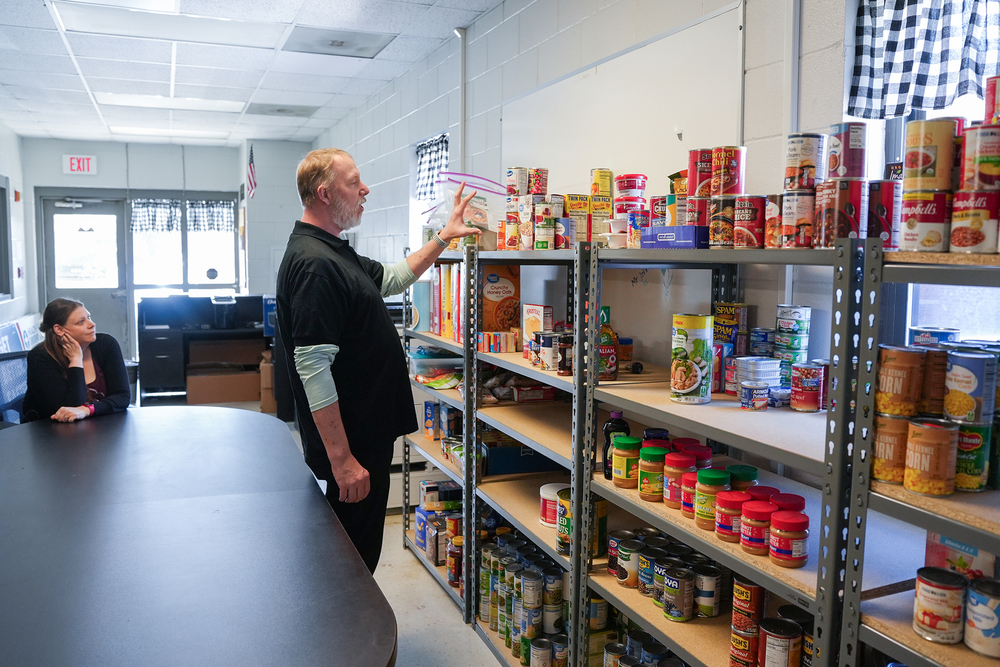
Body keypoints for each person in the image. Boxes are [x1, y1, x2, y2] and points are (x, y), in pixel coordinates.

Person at [276, 147, 480, 573]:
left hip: (363, 440)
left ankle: (344, 635)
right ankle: (342, 639)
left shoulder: (333, 250)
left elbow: (391, 278)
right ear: (325, 194)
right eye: (354, 182)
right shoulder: (315, 264)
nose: (365, 189)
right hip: (351, 448)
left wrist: (444, 236)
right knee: (348, 564)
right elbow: (313, 369)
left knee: (356, 554)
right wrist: (342, 460)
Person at [23, 298, 131, 423]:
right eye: (81, 322)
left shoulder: (106, 345)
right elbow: (69, 410)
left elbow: (122, 397)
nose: (92, 324)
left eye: (89, 318)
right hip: (52, 434)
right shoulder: (40, 358)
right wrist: (76, 360)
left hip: (100, 428)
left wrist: (87, 410)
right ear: (59, 330)